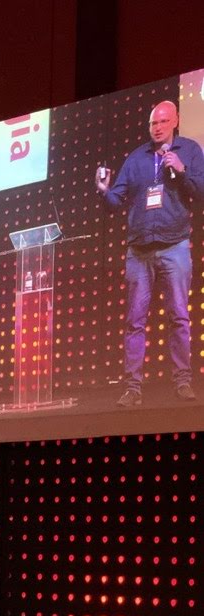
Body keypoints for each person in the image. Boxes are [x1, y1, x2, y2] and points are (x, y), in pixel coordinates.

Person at [96, 100, 204, 406]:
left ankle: (182, 382)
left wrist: (182, 171)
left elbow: (201, 192)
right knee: (135, 321)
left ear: (175, 121)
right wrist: (104, 191)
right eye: (153, 123)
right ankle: (133, 388)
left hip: (175, 245)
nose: (157, 128)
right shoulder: (136, 158)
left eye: (163, 121)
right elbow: (116, 201)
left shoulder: (189, 150)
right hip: (139, 249)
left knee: (179, 317)